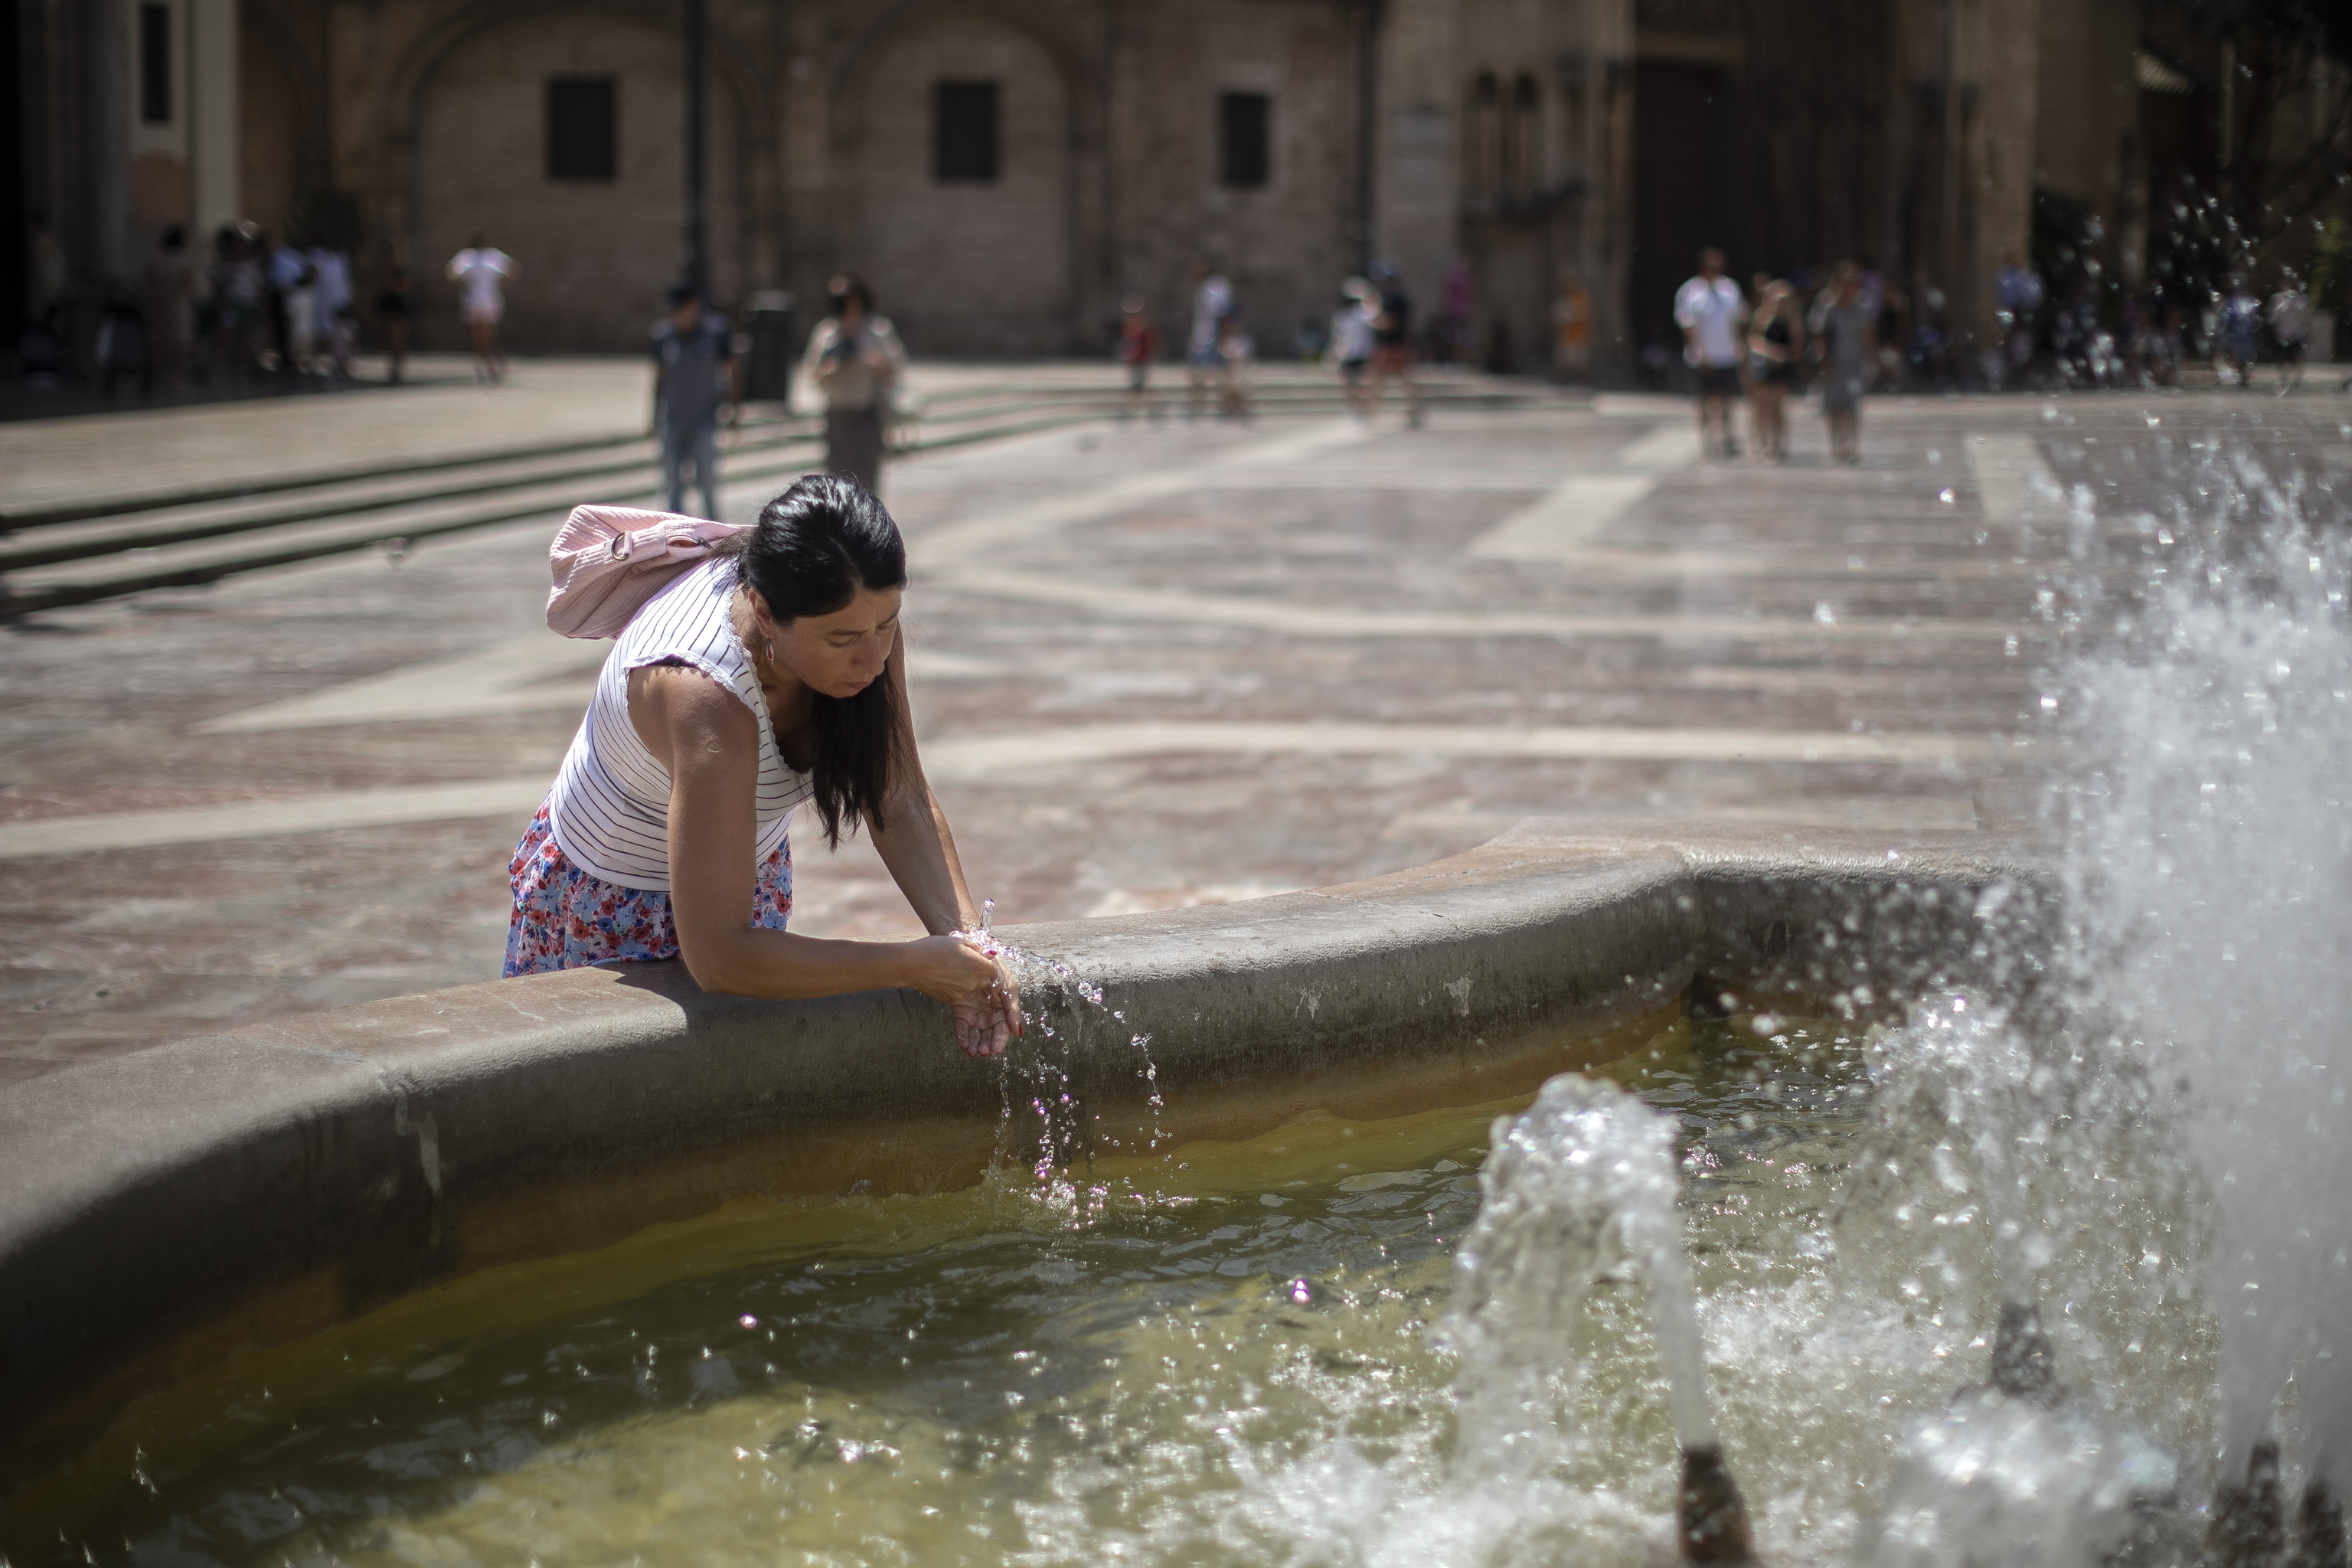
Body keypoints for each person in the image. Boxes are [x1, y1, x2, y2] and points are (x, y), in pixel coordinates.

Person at [505, 474, 1021, 1060]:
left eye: (887, 624)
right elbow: (721, 956)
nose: (873, 657)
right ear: (763, 612)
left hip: (739, 869)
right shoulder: (702, 692)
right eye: (844, 639)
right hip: (609, 903)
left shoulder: (856, 617)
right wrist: (907, 965)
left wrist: (966, 945)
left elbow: (897, 795)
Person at [801, 276, 906, 494]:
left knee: (868, 481)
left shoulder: (877, 329)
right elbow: (812, 373)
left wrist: (877, 363)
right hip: (838, 415)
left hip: (867, 414)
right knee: (837, 482)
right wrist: (829, 369)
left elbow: (896, 369)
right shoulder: (827, 332)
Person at [652, 283, 737, 520]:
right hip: (673, 418)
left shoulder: (717, 333)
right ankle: (674, 533)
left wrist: (734, 409)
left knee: (707, 479)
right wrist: (654, 416)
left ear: (693, 306)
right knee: (672, 483)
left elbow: (730, 372)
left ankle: (714, 530)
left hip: (705, 418)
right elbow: (659, 377)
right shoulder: (663, 335)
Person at [1674, 247, 1745, 458]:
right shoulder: (1690, 291)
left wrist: (1740, 347)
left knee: (1726, 400)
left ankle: (1726, 439)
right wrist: (1699, 352)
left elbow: (1739, 320)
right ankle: (1706, 443)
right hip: (1701, 357)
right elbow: (1688, 326)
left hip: (1726, 355)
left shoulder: (1730, 289)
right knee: (1703, 401)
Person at [1814, 262, 1875, 465]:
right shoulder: (1828, 304)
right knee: (1834, 405)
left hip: (1854, 359)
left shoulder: (1862, 304)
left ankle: (1851, 445)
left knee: (1853, 404)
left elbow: (1868, 335)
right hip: (1834, 358)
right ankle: (1835, 445)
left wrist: (1870, 361)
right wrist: (1824, 362)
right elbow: (1820, 334)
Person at [1744, 279, 1802, 462]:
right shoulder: (1762, 316)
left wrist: (1784, 355)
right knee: (1761, 407)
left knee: (1778, 407)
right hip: (1763, 366)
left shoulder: (1792, 320)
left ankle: (1777, 443)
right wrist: (1770, 352)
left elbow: (1798, 347)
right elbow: (1753, 339)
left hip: (1782, 368)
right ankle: (1761, 441)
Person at [446, 235, 513, 382]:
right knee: (486, 337)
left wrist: (465, 286)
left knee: (483, 337)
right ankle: (490, 367)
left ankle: (487, 367)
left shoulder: (474, 256)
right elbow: (512, 270)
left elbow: (451, 273)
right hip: (484, 301)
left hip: (479, 301)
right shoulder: (476, 256)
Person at [1367, 261, 1422, 426]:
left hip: (1394, 345)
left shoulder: (1395, 299)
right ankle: (1413, 412)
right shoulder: (1395, 297)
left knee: (1384, 379)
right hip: (1392, 344)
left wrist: (1373, 321)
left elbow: (1390, 322)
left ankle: (1372, 414)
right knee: (1395, 380)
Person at [141, 226, 197, 387]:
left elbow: (146, 281)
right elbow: (188, 282)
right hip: (178, 305)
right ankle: (177, 375)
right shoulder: (184, 260)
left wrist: (156, 296)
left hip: (158, 304)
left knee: (158, 339)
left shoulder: (155, 259)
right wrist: (176, 297)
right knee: (180, 340)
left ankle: (155, 373)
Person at [1185, 262, 1233, 419]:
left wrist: (1223, 337)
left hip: (1214, 337)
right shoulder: (1201, 289)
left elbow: (1220, 311)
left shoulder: (1216, 287)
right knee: (1197, 374)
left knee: (1220, 374)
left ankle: (1225, 405)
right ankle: (1198, 406)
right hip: (1201, 337)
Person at [1329, 279, 1376, 417]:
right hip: (1347, 355)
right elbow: (1337, 338)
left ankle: (1365, 411)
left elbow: (1376, 316)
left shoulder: (1365, 313)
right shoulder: (1340, 316)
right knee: (1349, 386)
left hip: (1364, 355)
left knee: (1364, 386)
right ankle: (1354, 410)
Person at [1117, 292, 1160, 420]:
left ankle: (1150, 407)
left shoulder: (1144, 329)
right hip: (1134, 361)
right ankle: (1135, 407)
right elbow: (1127, 345)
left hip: (1142, 360)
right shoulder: (1128, 329)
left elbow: (1149, 344)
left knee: (1140, 386)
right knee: (1135, 385)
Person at [2268, 275, 2311, 394]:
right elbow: (2273, 316)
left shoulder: (2301, 299)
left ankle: (2297, 377)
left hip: (2296, 333)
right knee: (2281, 357)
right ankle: (2283, 377)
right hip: (2281, 334)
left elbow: (2305, 316)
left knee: (2297, 356)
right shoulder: (2276, 298)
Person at [376, 260, 413, 384]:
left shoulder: (401, 273)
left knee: (398, 340)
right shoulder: (384, 271)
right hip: (390, 307)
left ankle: (398, 370)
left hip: (397, 308)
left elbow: (405, 288)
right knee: (389, 340)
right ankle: (393, 369)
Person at [1551, 271, 1592, 382]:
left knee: (1578, 362)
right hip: (1567, 335)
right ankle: (1563, 379)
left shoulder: (1580, 298)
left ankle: (1579, 380)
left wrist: (1570, 316)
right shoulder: (1566, 298)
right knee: (1563, 360)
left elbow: (1582, 315)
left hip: (1577, 335)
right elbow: (1557, 315)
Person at [1215, 312, 1254, 418]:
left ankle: (1240, 408)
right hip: (1228, 367)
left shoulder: (1245, 339)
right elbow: (1223, 354)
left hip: (1240, 367)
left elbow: (1246, 356)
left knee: (1240, 385)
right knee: (1228, 385)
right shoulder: (1225, 340)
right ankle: (1230, 408)